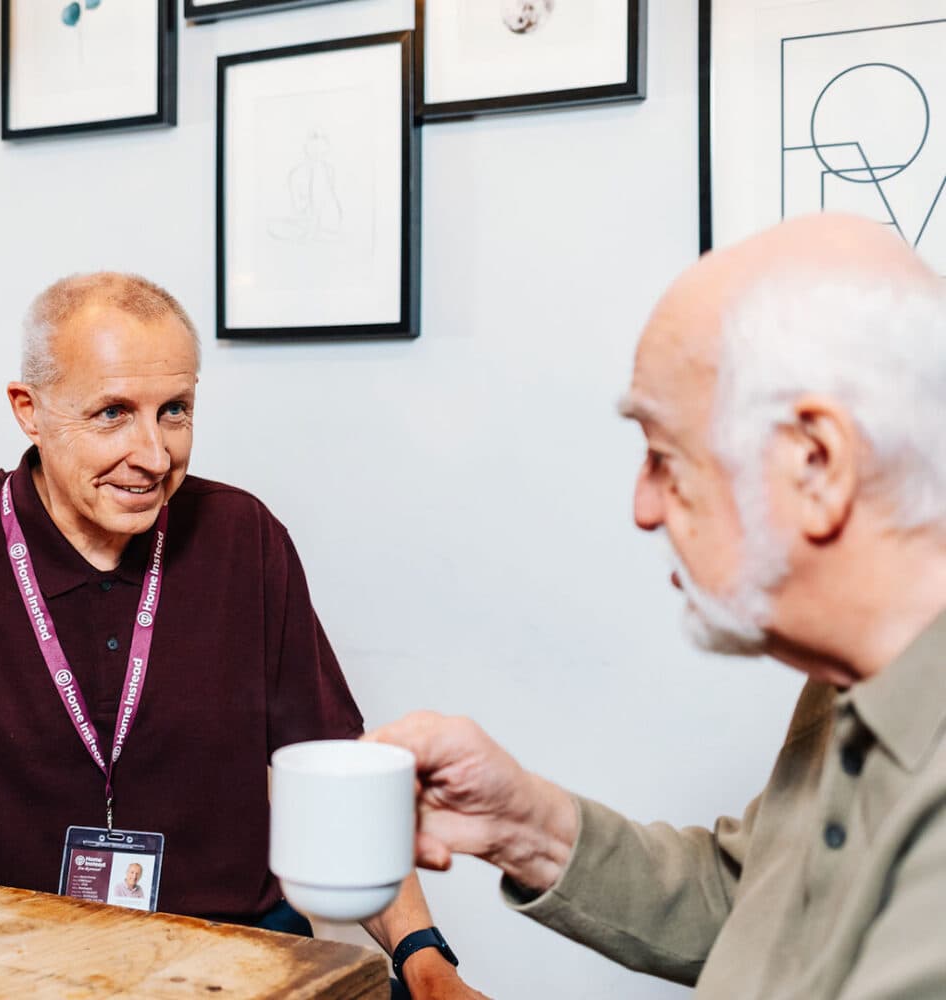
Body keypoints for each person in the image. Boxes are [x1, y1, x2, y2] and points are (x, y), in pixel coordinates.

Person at [370, 213, 946, 998]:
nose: (643, 506)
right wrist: (521, 824)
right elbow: (755, 908)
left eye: (666, 457)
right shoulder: (852, 676)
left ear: (818, 464)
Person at [0, 272, 484, 1000]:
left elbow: (339, 776)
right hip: (11, 966)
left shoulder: (243, 536)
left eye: (174, 410)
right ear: (29, 411)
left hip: (242, 957)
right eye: (112, 414)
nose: (154, 454)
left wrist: (424, 955)